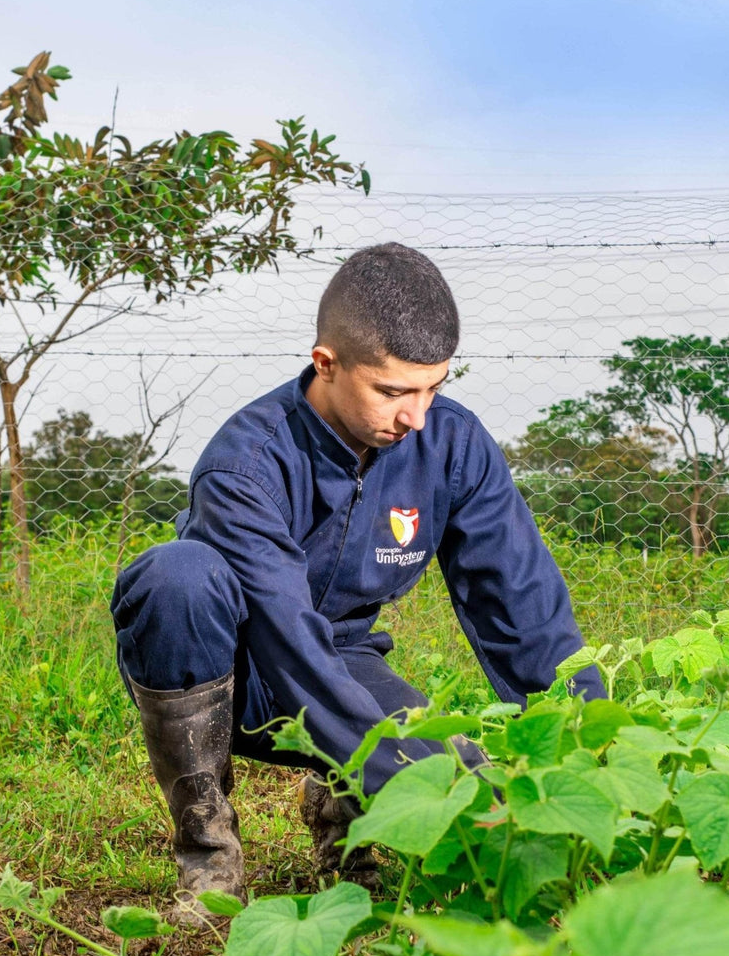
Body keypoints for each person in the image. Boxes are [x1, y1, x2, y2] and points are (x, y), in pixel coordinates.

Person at [111, 242, 604, 920]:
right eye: (393, 391)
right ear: (327, 364)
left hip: (343, 658)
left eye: (434, 387)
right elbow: (290, 649)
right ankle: (210, 857)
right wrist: (413, 786)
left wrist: (587, 747)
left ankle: (340, 812)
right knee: (177, 575)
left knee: (469, 772)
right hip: (235, 667)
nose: (417, 417)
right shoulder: (245, 463)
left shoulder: (453, 446)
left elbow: (523, 603)